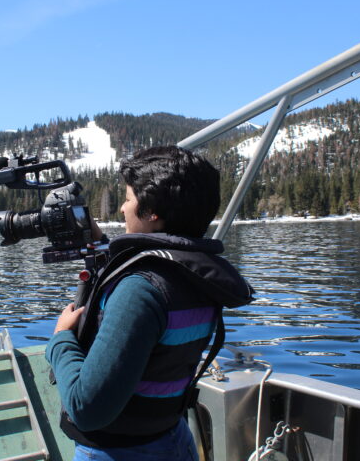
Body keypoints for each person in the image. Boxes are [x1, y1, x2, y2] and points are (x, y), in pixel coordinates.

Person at [46, 145, 254, 460]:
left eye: (128, 199)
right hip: (172, 440)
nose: (122, 210)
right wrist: (101, 247)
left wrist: (61, 339)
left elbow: (86, 409)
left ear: (153, 211)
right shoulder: (195, 277)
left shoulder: (140, 290)